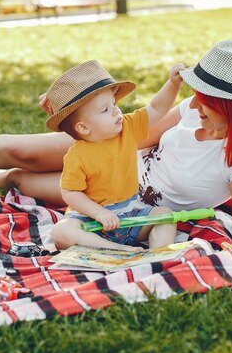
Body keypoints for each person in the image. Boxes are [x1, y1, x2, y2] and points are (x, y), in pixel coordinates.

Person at [0, 40, 232, 254]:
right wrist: (72, 115)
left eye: (207, 101)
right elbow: (142, 133)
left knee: (20, 179)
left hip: (123, 202)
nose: (196, 105)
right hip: (112, 155)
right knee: (25, 154)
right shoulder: (191, 109)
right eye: (197, 95)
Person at [41, 60, 183, 252]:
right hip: (91, 222)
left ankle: (156, 255)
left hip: (130, 216)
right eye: (105, 110)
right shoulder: (78, 155)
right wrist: (98, 213)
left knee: (165, 215)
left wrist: (172, 84)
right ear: (83, 127)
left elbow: (157, 108)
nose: (116, 111)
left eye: (114, 104)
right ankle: (114, 249)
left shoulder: (127, 128)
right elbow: (70, 193)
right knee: (61, 231)